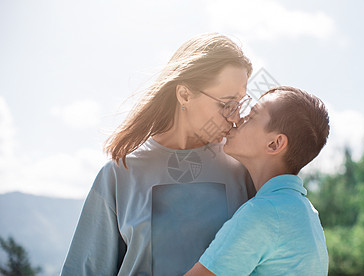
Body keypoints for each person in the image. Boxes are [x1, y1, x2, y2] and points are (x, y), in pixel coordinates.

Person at [61, 33, 255, 275]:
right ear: (184, 94)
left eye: (240, 104)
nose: (235, 116)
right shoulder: (119, 175)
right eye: (227, 104)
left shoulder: (243, 169)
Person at [185, 86, 330, 276]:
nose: (237, 118)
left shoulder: (263, 214)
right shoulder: (307, 213)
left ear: (274, 144)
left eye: (252, 116)